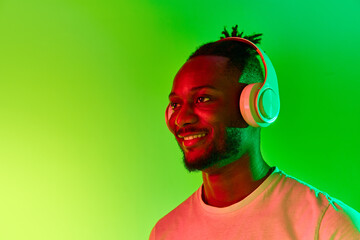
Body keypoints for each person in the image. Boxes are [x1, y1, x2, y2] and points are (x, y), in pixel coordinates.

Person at [149, 25, 360, 239]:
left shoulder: (326, 225)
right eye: (175, 104)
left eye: (203, 99)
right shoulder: (165, 232)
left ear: (256, 105)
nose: (182, 118)